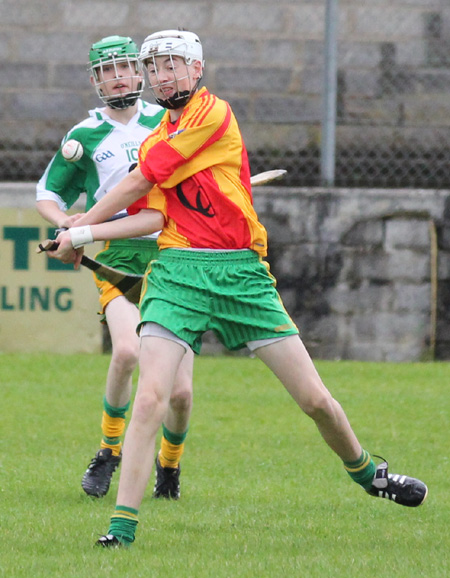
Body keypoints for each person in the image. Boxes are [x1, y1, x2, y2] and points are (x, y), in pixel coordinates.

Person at [49, 29, 428, 548]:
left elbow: (138, 184)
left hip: (242, 274)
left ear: (196, 69)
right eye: (154, 67)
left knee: (315, 400)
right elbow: (154, 214)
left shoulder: (212, 115)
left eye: (172, 65)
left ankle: (370, 476)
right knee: (152, 397)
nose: (162, 76)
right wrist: (84, 234)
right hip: (178, 271)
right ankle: (120, 529)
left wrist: (80, 230)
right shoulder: (159, 137)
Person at [36, 35, 193, 501]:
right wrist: (67, 223)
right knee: (126, 352)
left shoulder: (168, 122)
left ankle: (170, 466)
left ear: (140, 73)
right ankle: (109, 450)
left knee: (180, 395)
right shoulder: (82, 137)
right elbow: (48, 194)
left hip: (173, 255)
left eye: (125, 67)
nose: (118, 77)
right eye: (107, 71)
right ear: (95, 80)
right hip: (117, 256)